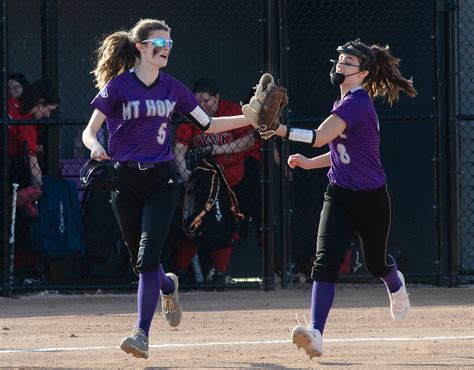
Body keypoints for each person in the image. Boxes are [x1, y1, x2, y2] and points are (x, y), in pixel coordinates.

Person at [81, 19, 253, 360]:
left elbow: (208, 123)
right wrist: (94, 147)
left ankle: (141, 333)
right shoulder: (117, 87)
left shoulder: (173, 87)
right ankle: (168, 285)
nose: (166, 49)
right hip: (125, 181)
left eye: (170, 43)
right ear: (141, 46)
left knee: (148, 258)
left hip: (161, 181)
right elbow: (90, 131)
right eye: (160, 42)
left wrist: (251, 117)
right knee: (140, 261)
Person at [260, 39, 417, 358]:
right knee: (325, 263)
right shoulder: (342, 101)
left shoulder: (356, 103)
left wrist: (279, 130)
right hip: (339, 194)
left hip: (371, 198)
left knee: (375, 263)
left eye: (348, 62)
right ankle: (316, 332)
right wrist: (308, 162)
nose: (340, 65)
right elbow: (339, 153)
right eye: (340, 59)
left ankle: (394, 281)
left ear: (364, 73)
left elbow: (319, 138)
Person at [173, 77, 259, 284]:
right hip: (203, 183)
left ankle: (220, 273)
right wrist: (187, 177)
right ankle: (179, 273)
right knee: (194, 224)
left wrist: (216, 149)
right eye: (198, 101)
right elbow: (179, 148)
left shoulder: (231, 111)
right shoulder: (191, 115)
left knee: (228, 226)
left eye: (207, 101)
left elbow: (249, 140)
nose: (202, 106)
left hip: (232, 180)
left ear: (217, 98)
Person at [8, 78, 58, 282]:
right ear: (40, 103)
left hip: (11, 163)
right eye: (48, 110)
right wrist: (40, 187)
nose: (47, 115)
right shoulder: (25, 117)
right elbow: (32, 160)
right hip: (10, 165)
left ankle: (16, 201)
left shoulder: (15, 106)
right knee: (31, 197)